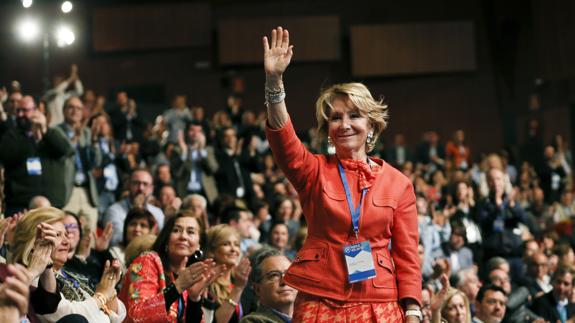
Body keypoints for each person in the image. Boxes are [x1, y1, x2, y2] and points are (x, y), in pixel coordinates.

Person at [262, 27, 422, 322]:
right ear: (328, 130)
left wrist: (412, 308)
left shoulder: (399, 184)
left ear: (371, 126)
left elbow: (408, 255)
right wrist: (274, 83)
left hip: (380, 303)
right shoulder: (314, 170)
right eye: (335, 118)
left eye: (354, 115)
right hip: (319, 299)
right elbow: (284, 141)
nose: (344, 124)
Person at [10, 206, 126, 322]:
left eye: (65, 234)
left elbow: (117, 315)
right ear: (34, 241)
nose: (66, 241)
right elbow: (70, 317)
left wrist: (109, 288)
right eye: (57, 235)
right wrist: (101, 296)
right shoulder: (37, 280)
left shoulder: (70, 272)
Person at [119, 212, 222, 323]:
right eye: (176, 230)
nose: (183, 236)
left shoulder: (190, 275)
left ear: (199, 244)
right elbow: (136, 316)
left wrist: (194, 299)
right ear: (167, 238)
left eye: (190, 232)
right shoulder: (148, 261)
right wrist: (177, 286)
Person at [0, 96, 74, 215]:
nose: (20, 114)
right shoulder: (12, 135)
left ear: (36, 110)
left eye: (25, 110)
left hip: (52, 205)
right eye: (18, 110)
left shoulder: (52, 133)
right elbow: (6, 155)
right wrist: (31, 138)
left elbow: (67, 151)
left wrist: (45, 131)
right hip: (20, 206)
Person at [104, 168, 165, 246]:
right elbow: (117, 240)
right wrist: (136, 211)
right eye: (136, 183)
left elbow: (163, 241)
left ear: (151, 189)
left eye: (145, 184)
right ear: (128, 185)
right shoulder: (113, 211)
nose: (141, 188)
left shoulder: (158, 212)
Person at [203, 224, 252, 323]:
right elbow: (216, 321)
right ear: (212, 250)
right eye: (226, 244)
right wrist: (238, 288)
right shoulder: (205, 283)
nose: (233, 249)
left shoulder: (241, 280)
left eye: (236, 244)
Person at [240, 247, 297, 323]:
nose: (284, 281)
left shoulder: (309, 316)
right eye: (274, 275)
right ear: (257, 289)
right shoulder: (252, 321)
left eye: (289, 273)